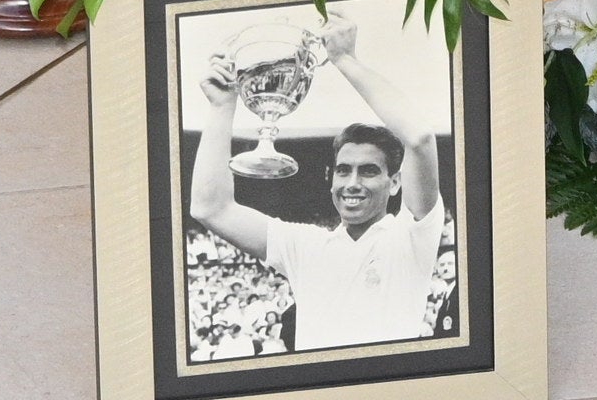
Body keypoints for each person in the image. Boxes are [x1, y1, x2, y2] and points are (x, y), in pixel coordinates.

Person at [186, 29, 457, 351]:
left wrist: (345, 60)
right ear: (331, 179)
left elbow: (419, 138)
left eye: (369, 171)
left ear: (395, 182)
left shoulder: (411, 237)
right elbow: (210, 208)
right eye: (344, 171)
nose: (352, 183)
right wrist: (222, 107)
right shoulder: (305, 244)